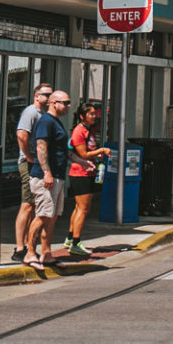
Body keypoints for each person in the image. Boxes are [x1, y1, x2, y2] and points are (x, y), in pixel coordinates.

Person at [25, 90, 73, 269]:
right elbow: (41, 147)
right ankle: (30, 253)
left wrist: (82, 162)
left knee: (52, 217)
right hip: (45, 177)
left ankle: (46, 253)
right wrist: (47, 172)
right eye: (65, 103)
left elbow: (63, 151)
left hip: (58, 176)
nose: (68, 106)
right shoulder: (45, 121)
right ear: (54, 103)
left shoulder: (56, 123)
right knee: (43, 215)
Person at [64, 101, 111, 258]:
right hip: (80, 174)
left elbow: (87, 152)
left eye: (94, 113)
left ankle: (70, 238)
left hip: (88, 172)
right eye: (91, 114)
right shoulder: (79, 131)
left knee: (79, 208)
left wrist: (96, 154)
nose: (94, 116)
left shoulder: (88, 130)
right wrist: (101, 150)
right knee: (83, 209)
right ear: (83, 116)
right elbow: (82, 154)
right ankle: (76, 243)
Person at [12, 83, 50, 263]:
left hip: (37, 164)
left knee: (33, 205)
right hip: (28, 164)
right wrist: (28, 156)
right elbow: (21, 134)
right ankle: (19, 247)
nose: (49, 97)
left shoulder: (43, 114)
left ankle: (27, 245)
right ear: (36, 96)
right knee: (27, 204)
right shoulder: (31, 112)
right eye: (46, 94)